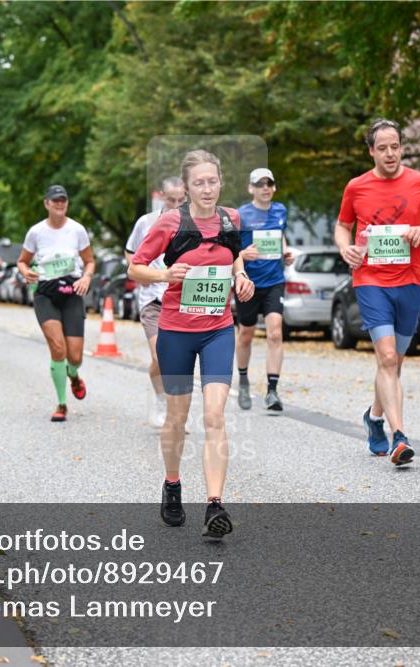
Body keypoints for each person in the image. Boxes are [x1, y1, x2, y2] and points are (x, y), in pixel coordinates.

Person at [129, 149, 255, 540]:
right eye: (198, 182)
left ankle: (215, 505)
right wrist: (165, 274)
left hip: (218, 329)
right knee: (177, 420)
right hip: (177, 332)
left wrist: (241, 278)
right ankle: (172, 483)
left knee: (215, 415)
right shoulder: (170, 222)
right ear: (186, 188)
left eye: (212, 181)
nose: (206, 188)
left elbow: (235, 259)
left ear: (221, 182)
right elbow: (134, 267)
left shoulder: (232, 219)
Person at [335, 119, 420, 465]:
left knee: (395, 361)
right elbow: (342, 227)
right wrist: (346, 249)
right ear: (371, 150)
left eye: (395, 146)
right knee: (387, 358)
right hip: (370, 280)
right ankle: (399, 435)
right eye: (382, 147)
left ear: (401, 147)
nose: (390, 153)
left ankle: (373, 417)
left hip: (411, 281)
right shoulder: (356, 187)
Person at [17, 185, 95, 422]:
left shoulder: (77, 230)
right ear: (46, 204)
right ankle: (61, 404)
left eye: (63, 200)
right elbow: (22, 261)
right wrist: (25, 272)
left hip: (71, 292)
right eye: (55, 200)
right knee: (57, 347)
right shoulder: (36, 232)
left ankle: (73, 374)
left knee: (75, 355)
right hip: (45, 292)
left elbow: (89, 261)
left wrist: (86, 277)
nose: (60, 204)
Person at [125, 176, 187, 428]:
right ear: (162, 196)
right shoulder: (146, 222)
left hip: (182, 299)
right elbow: (130, 252)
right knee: (160, 356)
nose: (175, 204)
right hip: (153, 298)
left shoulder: (193, 222)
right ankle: (161, 401)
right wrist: (141, 273)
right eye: (171, 199)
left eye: (181, 200)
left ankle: (177, 413)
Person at [235, 168, 295, 412]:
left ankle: (272, 391)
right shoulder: (240, 215)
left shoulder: (280, 210)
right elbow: (229, 251)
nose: (265, 188)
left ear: (274, 187)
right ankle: (242, 380)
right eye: (259, 184)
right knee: (246, 334)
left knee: (275, 333)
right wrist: (242, 254)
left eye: (269, 184)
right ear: (251, 188)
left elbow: (279, 236)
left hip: (274, 281)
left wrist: (286, 251)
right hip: (248, 282)